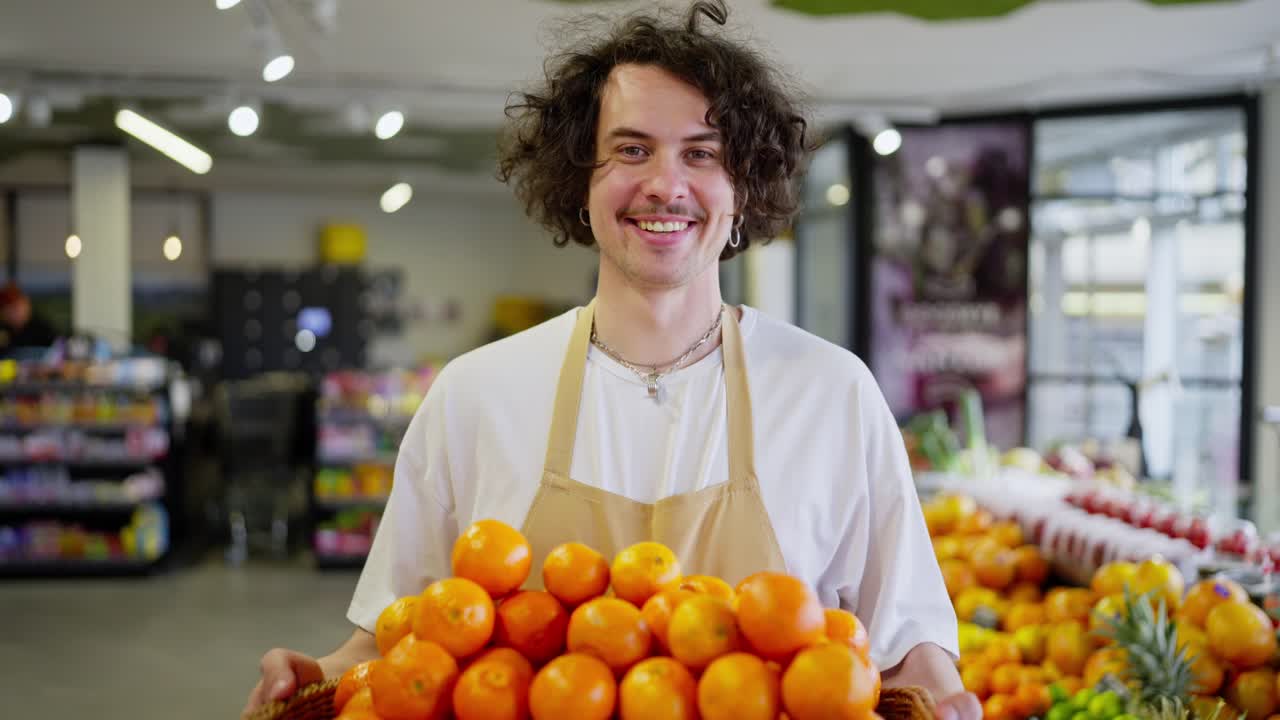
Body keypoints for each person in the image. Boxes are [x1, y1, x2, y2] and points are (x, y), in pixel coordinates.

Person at [245, 3, 979, 718]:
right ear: (580, 179)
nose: (666, 184)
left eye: (702, 153)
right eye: (632, 150)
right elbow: (394, 637)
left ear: (743, 187)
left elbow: (907, 645)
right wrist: (326, 675)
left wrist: (943, 695)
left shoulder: (830, 392)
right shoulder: (476, 395)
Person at [0, 283, 58, 355]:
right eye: (9, 309)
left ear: (26, 304)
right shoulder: (4, 330)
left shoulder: (43, 328)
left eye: (17, 307)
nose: (14, 313)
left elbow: (57, 354)